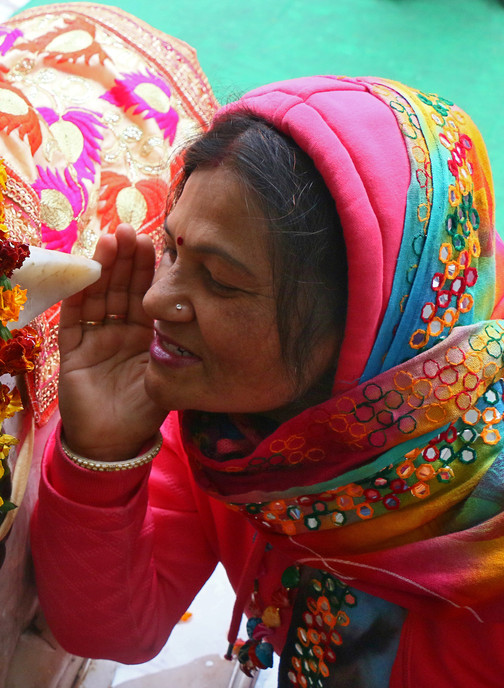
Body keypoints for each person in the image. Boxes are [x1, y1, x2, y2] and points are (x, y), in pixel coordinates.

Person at [29, 75, 502, 688]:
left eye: (221, 282)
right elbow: (115, 631)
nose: (157, 299)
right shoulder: (230, 435)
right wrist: (101, 455)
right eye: (173, 250)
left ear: (370, 316)